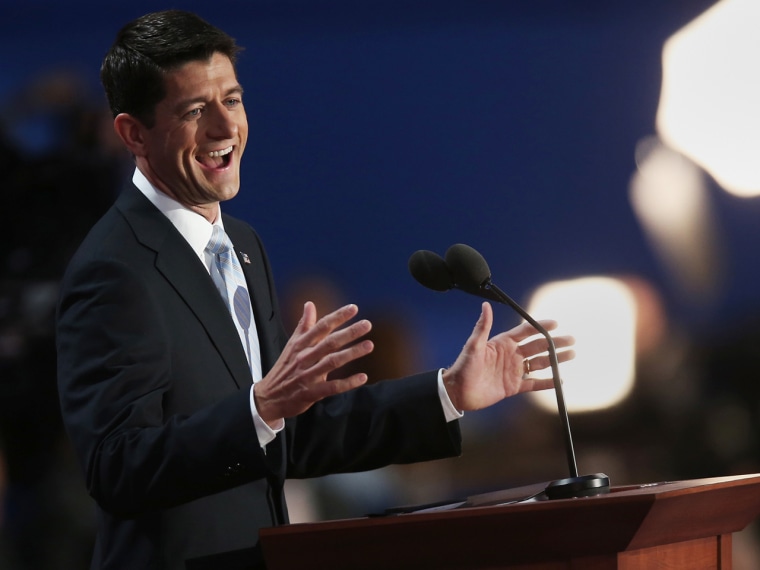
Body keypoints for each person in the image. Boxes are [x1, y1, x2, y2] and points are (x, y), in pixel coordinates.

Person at [55, 10, 575, 570]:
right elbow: (116, 467)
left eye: (231, 100)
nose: (225, 129)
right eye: (193, 111)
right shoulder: (115, 269)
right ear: (134, 133)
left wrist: (447, 393)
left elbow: (292, 433)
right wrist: (259, 408)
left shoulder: (243, 244)